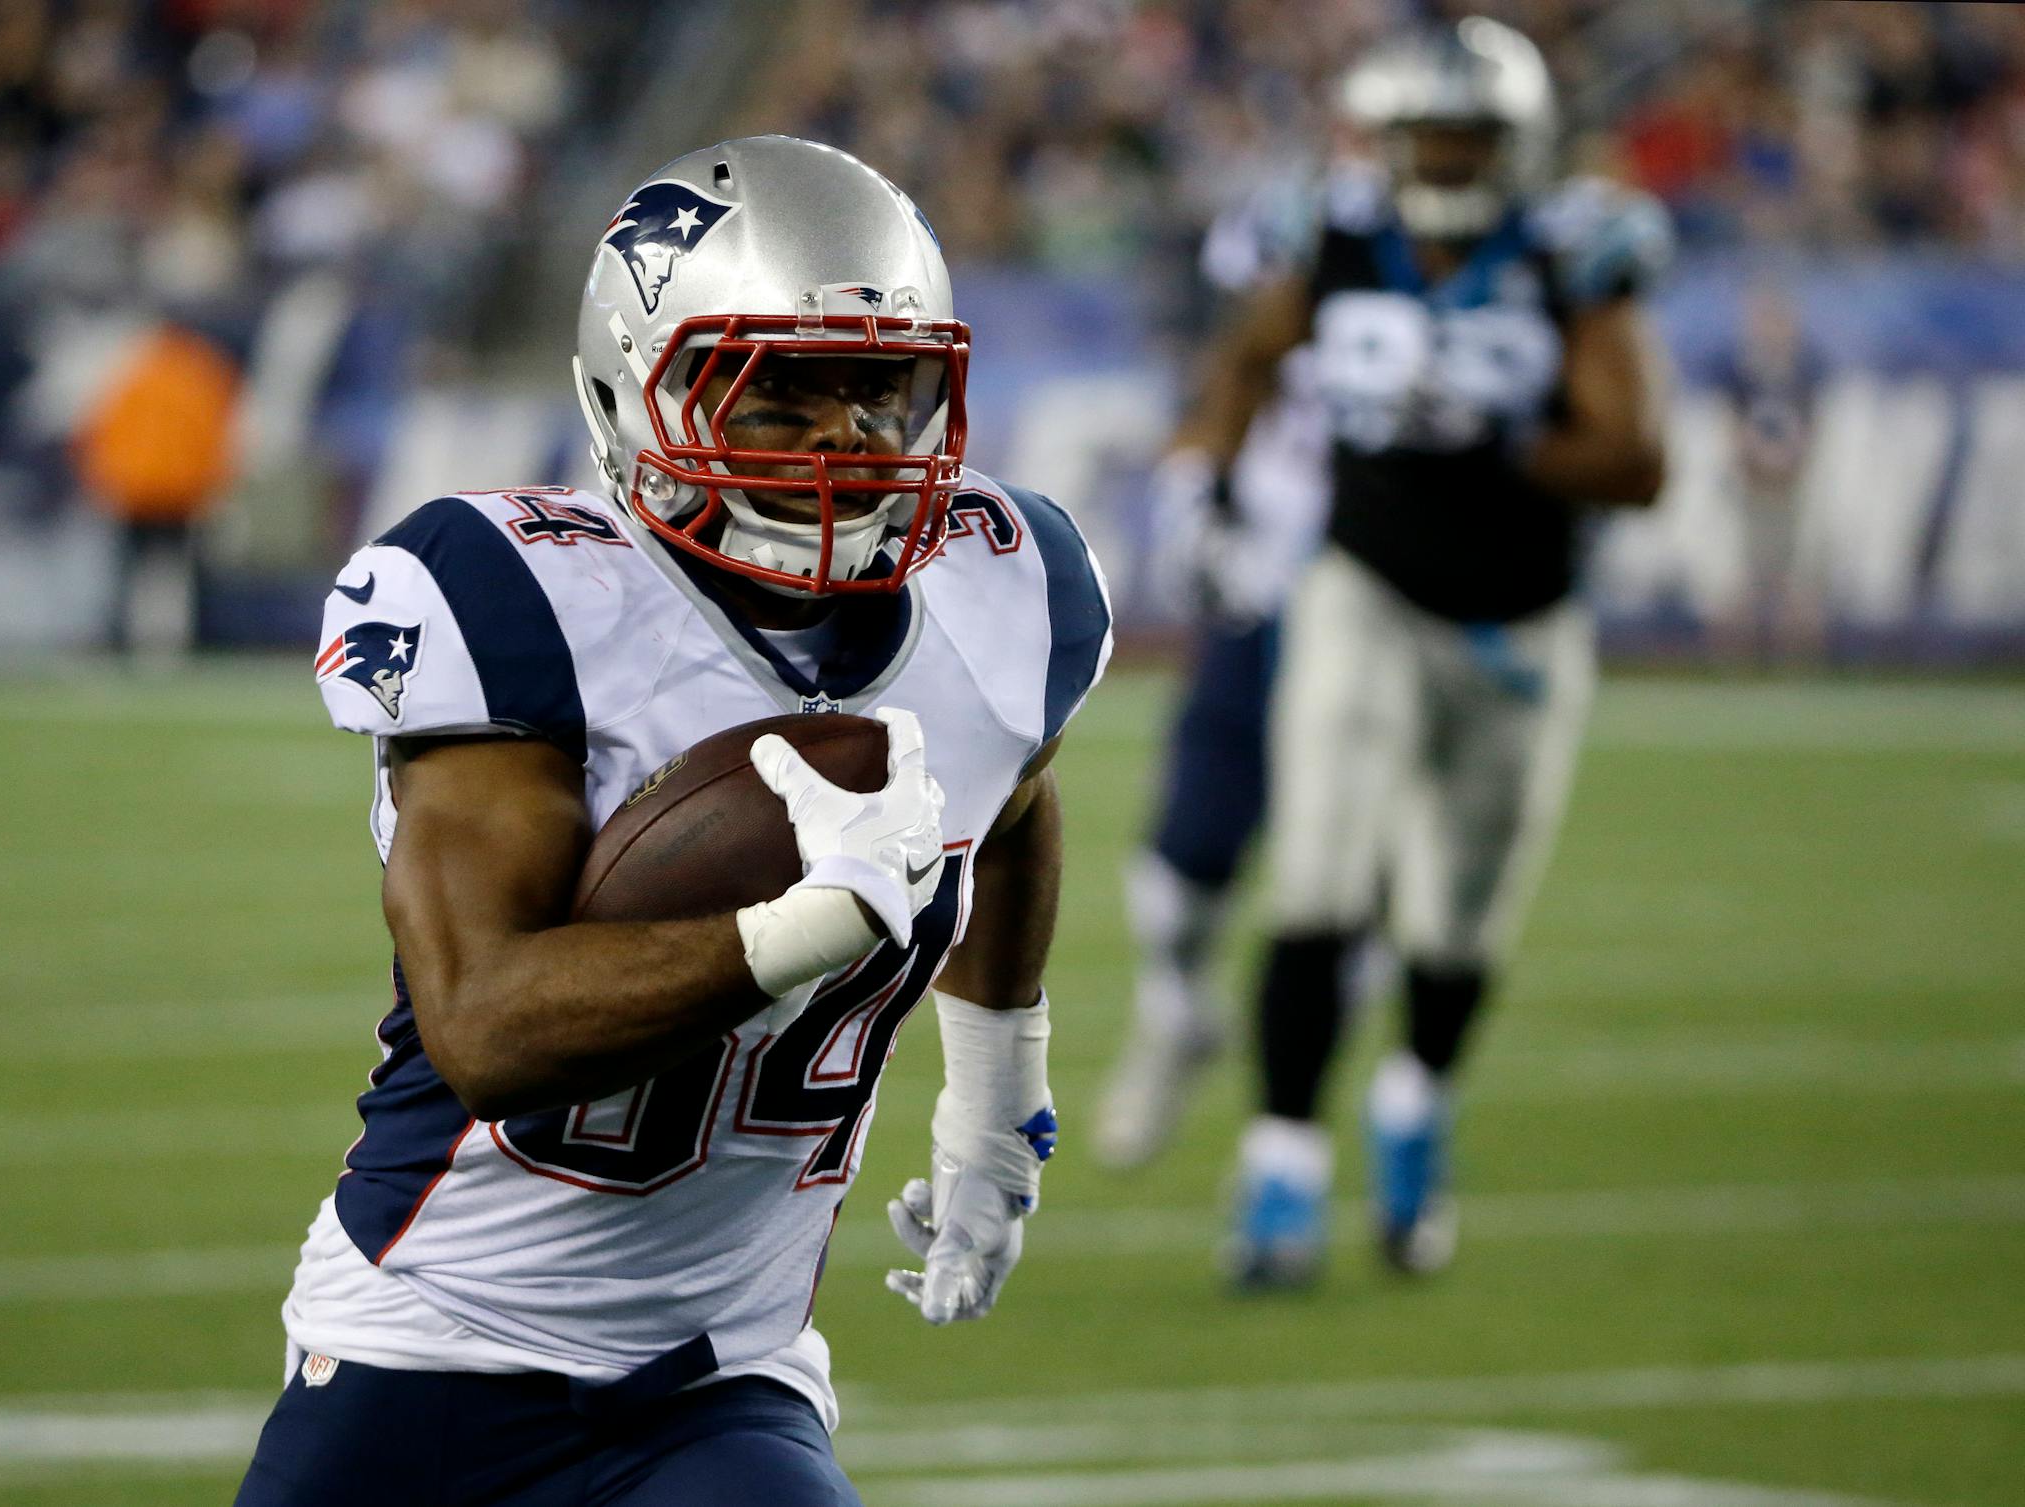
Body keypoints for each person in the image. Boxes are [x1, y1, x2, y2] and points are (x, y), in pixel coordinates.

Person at [235, 135, 1111, 1506]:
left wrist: (998, 1094)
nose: (848, 442)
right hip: (425, 1354)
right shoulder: (517, 594)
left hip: (720, 1378)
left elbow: (1009, 803)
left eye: (881, 393)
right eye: (783, 397)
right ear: (639, 385)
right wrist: (807, 921)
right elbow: (485, 1028)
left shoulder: (1008, 590)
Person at [1157, 18, 1673, 1285]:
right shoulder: (1333, 238)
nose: (1443, 153)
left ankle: (1412, 1108)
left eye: (1469, 133)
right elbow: (1245, 360)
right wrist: (1206, 485)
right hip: (1364, 589)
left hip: (1521, 623)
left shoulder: (1570, 255)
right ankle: (1280, 1166)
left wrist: (1503, 442)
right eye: (1425, 131)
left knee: (1456, 924)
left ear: (1518, 143)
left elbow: (1639, 461)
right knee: (1320, 877)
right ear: (1383, 140)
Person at [1093, 172, 1332, 1172]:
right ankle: (1176, 1013)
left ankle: (1293, 1138)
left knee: (1336, 896)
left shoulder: (1379, 361)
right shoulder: (1243, 369)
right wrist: (1195, 498)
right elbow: (1213, 412)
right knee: (1174, 874)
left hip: (1364, 634)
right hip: (1254, 629)